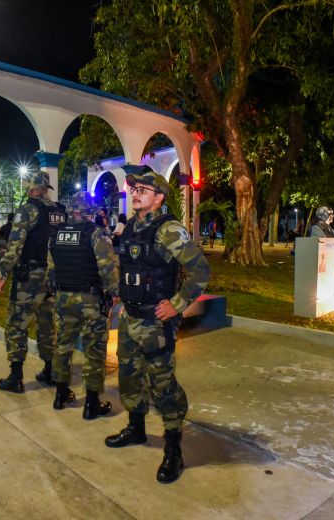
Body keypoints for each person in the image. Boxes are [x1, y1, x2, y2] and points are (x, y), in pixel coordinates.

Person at [104, 170, 210, 484]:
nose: (135, 193)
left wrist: (177, 304)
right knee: (129, 377)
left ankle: (173, 448)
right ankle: (136, 429)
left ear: (159, 197)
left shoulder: (169, 230)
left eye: (144, 189)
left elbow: (201, 271)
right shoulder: (133, 227)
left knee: (163, 387)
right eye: (134, 188)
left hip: (154, 322)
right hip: (130, 318)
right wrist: (120, 298)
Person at [48, 191, 120, 419]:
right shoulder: (96, 235)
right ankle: (91, 403)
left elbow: (51, 269)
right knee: (94, 349)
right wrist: (115, 293)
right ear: (90, 211)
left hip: (62, 298)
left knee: (62, 345)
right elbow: (107, 269)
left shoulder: (56, 235)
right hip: (90, 300)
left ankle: (60, 394)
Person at [0, 171, 66, 393]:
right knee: (47, 324)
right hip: (54, 277)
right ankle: (50, 371)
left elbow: (15, 246)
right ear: (46, 188)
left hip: (30, 277)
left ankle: (15, 377)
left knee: (17, 324)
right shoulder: (59, 211)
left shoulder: (28, 210)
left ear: (30, 188)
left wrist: (2, 274)